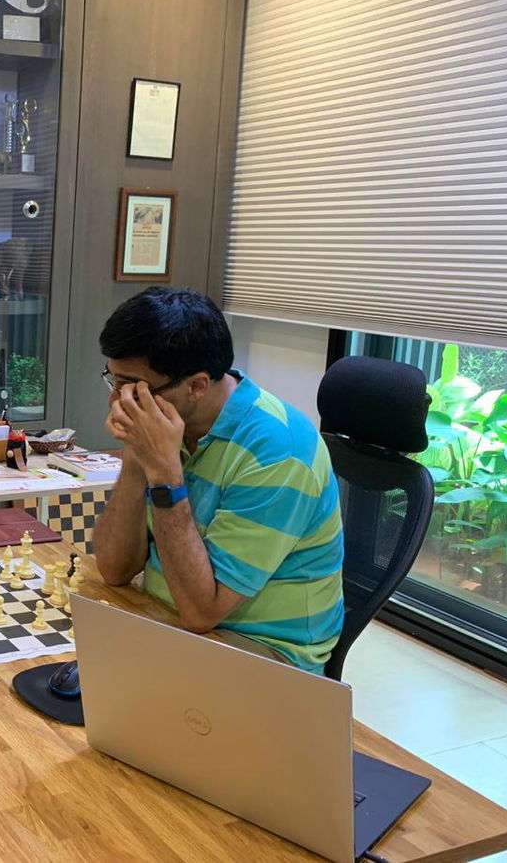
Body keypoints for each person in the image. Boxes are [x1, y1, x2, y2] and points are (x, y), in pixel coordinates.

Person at [93, 287, 344, 673]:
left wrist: (164, 473)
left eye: (134, 388)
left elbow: (201, 613)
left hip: (263, 657)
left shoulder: (279, 452)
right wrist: (137, 456)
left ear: (196, 386)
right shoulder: (168, 425)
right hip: (165, 617)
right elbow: (115, 570)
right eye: (114, 382)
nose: (117, 402)